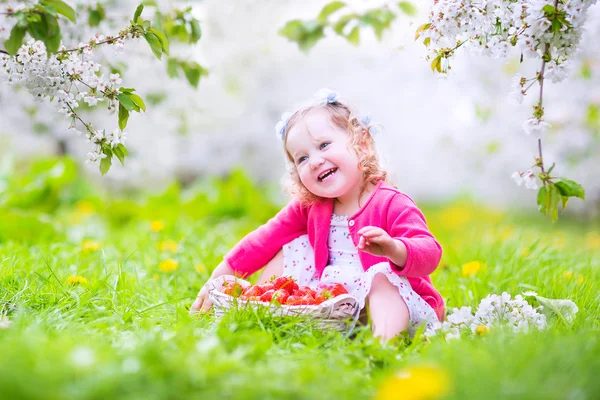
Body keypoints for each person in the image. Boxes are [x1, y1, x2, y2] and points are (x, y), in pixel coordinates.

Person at [191, 89, 444, 340]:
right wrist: (219, 279)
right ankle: (261, 312)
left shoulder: (391, 203)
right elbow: (262, 241)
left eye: (324, 145)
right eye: (302, 158)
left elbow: (430, 252)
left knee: (380, 276)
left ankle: (384, 346)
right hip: (335, 305)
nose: (314, 161)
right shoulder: (312, 205)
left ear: (362, 144)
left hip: (398, 305)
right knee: (292, 247)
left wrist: (393, 249)